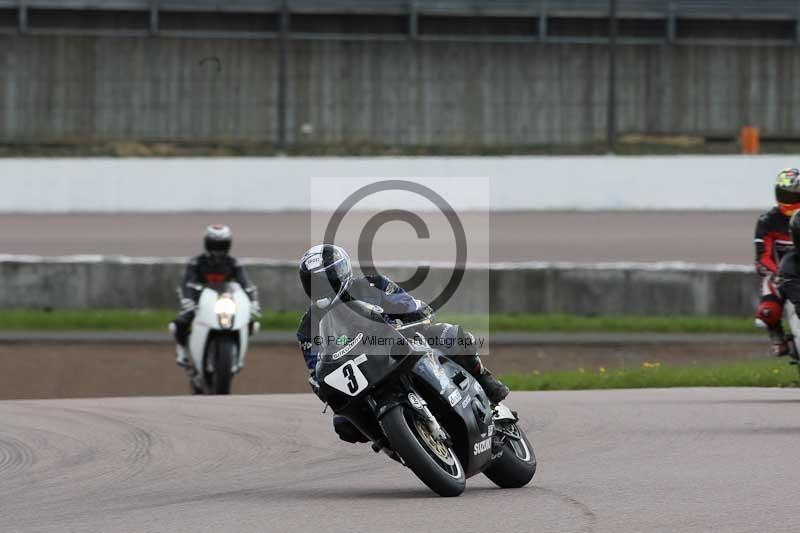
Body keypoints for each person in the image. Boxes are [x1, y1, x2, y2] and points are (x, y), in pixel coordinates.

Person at [296, 243, 509, 444]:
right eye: (314, 282)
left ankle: (486, 383)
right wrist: (320, 385)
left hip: (401, 346)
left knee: (451, 335)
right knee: (344, 424)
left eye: (327, 280)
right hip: (365, 375)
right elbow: (317, 368)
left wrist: (408, 316)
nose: (322, 288)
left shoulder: (373, 284)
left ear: (342, 273)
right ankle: (395, 441)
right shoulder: (307, 328)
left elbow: (407, 304)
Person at [172, 225, 260, 366]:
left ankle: (237, 354)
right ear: (207, 244)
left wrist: (253, 301)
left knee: (250, 323)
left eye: (221, 244)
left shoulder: (233, 264)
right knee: (181, 323)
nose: (217, 249)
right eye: (214, 244)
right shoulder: (196, 263)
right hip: (200, 303)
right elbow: (186, 283)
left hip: (225, 302)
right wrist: (188, 299)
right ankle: (182, 350)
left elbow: (246, 284)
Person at [754, 169, 800, 356]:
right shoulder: (768, 220)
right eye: (785, 192)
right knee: (768, 311)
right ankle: (777, 335)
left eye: (794, 193)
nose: (789, 197)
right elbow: (763, 256)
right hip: (781, 271)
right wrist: (778, 272)